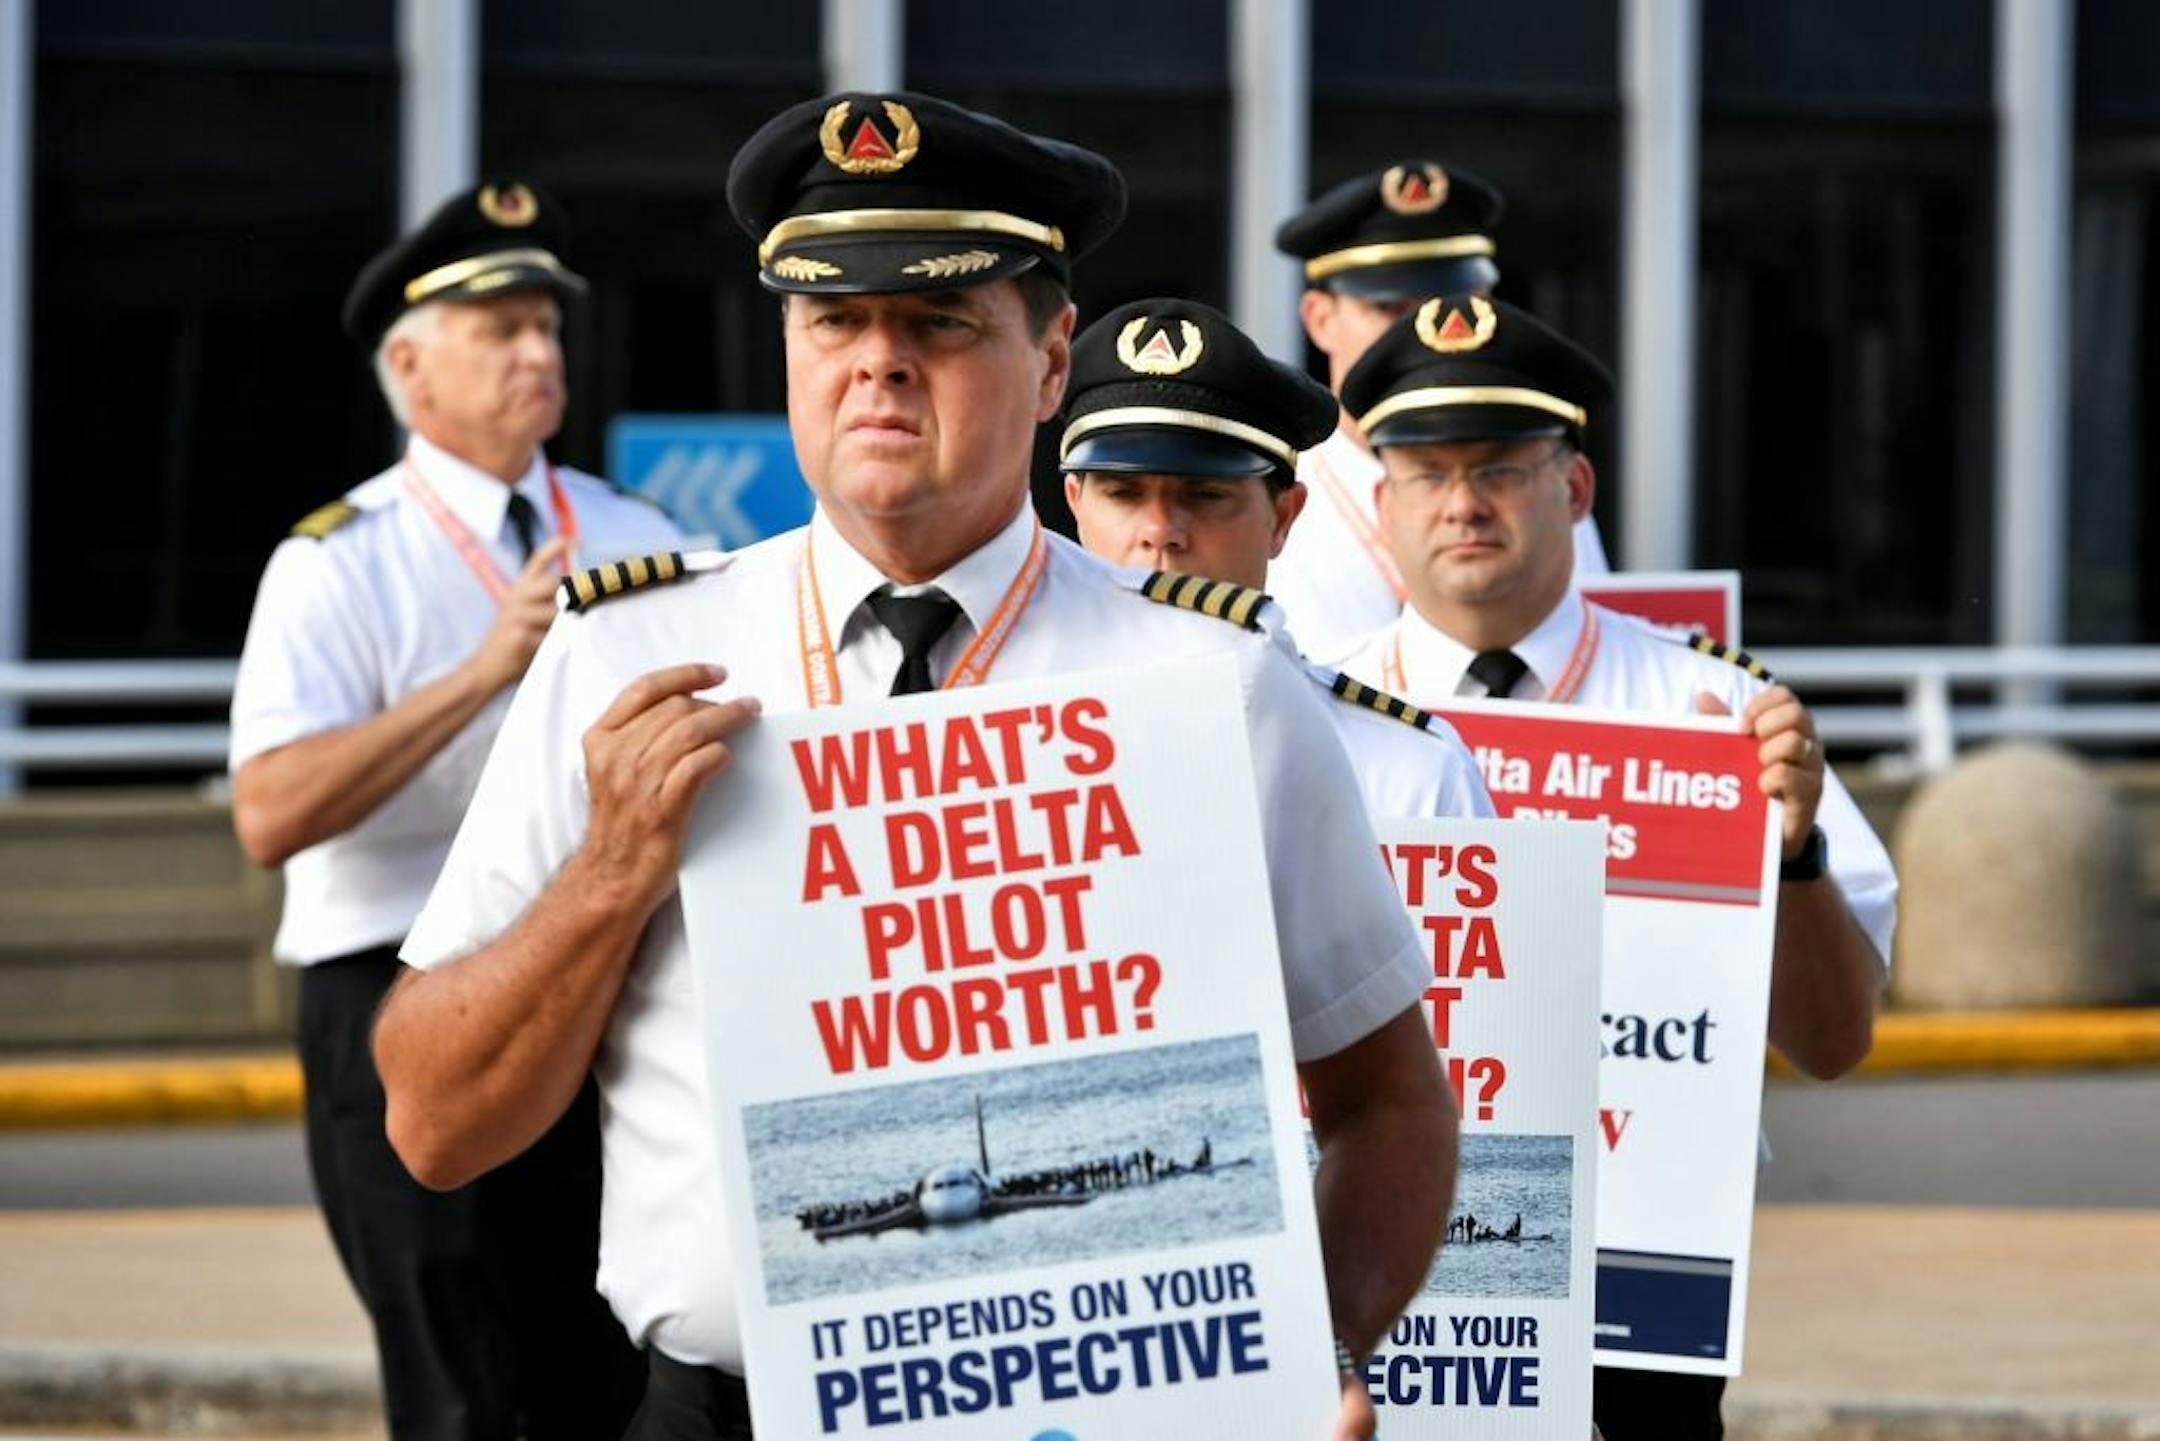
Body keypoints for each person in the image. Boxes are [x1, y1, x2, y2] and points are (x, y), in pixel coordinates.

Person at [371, 93, 1458, 1441]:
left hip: (1113, 1410)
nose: (877, 364)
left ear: (1054, 365)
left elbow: (1389, 1097)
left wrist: (1324, 1342)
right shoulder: (631, 655)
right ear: (788, 347)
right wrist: (608, 876)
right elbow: (433, 1122)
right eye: (835, 320)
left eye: (941, 323)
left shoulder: (1211, 687)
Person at [1335, 292, 1897, 1441]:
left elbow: (1833, 1044)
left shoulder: (1717, 714)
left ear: (1575, 491)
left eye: (1499, 466)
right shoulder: (1317, 715)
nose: (1463, 503)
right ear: (1380, 506)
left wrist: (1791, 856)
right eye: (1427, 472)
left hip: (1636, 1300)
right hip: (1392, 1287)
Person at [229, 181, 680, 1439]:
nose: (539, 354)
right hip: (392, 981)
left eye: (546, 326)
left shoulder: (633, 528)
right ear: (411, 368)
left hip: (605, 974)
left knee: (619, 1361)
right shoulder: (338, 559)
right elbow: (269, 813)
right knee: (461, 1387)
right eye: (502, 332)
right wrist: (481, 675)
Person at [1059, 295, 1493, 822]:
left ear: (1283, 518)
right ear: (1075, 504)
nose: (1160, 531)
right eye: (1123, 494)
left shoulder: (1406, 773)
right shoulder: (997, 756)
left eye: (1204, 495)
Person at [1271, 160, 1609, 662]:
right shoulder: (1268, 491)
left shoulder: (1542, 477)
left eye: (1448, 304)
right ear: (1320, 320)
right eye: (1390, 309)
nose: (1422, 333)